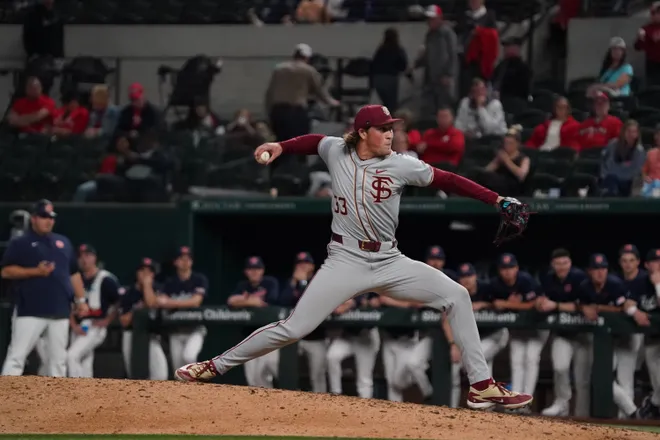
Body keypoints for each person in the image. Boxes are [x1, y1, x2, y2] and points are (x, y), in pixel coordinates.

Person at [175, 104, 533, 411]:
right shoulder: (337, 151)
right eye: (383, 129)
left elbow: (449, 180)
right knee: (294, 328)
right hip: (345, 259)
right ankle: (215, 366)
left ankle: (481, 383)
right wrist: (280, 147)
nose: (391, 134)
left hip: (390, 260)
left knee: (457, 295)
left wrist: (497, 200)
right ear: (363, 132)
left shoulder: (402, 164)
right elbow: (314, 142)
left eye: (392, 129)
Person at [1, 199, 89, 377]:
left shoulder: (63, 242)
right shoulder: (21, 242)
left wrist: (81, 300)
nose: (48, 221)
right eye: (43, 216)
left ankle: (56, 403)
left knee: (58, 360)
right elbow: (6, 272)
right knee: (17, 357)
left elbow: (73, 274)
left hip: (60, 310)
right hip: (30, 310)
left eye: (51, 217)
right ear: (33, 218)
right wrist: (36, 271)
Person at [536, 248, 589, 417]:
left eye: (565, 263)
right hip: (562, 333)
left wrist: (556, 306)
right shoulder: (548, 278)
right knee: (559, 367)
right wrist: (541, 303)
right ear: (553, 264)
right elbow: (542, 299)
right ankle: (562, 404)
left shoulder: (580, 277)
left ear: (570, 263)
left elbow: (584, 306)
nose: (561, 267)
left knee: (582, 380)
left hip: (584, 334)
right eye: (558, 263)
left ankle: (582, 413)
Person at [67, 244, 120, 378]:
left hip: (94, 325)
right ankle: (87, 395)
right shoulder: (75, 279)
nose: (84, 259)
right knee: (85, 361)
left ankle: (75, 390)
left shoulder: (105, 278)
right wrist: (73, 325)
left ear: (94, 258)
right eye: (81, 256)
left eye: (88, 256)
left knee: (71, 356)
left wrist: (107, 320)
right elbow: (67, 304)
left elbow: (119, 301)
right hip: (78, 325)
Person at [118, 257, 168, 380]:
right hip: (132, 335)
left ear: (153, 274)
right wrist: (137, 309)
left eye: (149, 271)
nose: (145, 274)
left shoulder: (159, 288)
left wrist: (146, 286)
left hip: (151, 335)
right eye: (142, 271)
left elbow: (151, 303)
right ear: (137, 273)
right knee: (134, 375)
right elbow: (124, 322)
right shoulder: (128, 293)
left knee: (160, 375)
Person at [160, 246, 208, 370]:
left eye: (188, 258)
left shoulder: (199, 279)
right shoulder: (169, 282)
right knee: (178, 370)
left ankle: (196, 388)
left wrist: (172, 303)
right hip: (175, 330)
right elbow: (161, 302)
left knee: (189, 357)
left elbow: (196, 302)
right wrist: (185, 302)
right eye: (182, 258)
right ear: (175, 262)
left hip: (195, 329)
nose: (185, 261)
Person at [413, 5, 458, 117]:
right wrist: (417, 63)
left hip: (443, 78)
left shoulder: (447, 33)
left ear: (440, 18)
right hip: (431, 77)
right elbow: (428, 53)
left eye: (432, 18)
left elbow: (453, 54)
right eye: (428, 19)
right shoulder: (429, 35)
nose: (429, 22)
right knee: (429, 107)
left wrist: (448, 74)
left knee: (444, 106)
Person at [600, 119, 646, 197]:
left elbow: (636, 171)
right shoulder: (613, 144)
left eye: (634, 132)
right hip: (611, 179)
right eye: (628, 131)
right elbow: (605, 163)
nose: (631, 134)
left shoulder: (639, 151)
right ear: (623, 132)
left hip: (628, 182)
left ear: (637, 134)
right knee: (610, 180)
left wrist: (620, 176)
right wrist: (604, 175)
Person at [481, 126, 530, 196]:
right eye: (506, 143)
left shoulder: (524, 158)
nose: (507, 146)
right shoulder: (501, 156)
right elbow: (487, 171)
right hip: (497, 186)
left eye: (510, 143)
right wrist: (497, 161)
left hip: (512, 188)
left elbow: (521, 175)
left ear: (517, 144)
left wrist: (507, 161)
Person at [372, 28, 408, 112]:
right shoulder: (398, 49)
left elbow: (374, 64)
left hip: (378, 78)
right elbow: (403, 65)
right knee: (392, 105)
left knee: (383, 103)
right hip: (391, 78)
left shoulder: (381, 49)